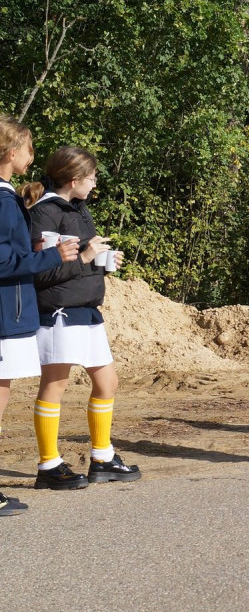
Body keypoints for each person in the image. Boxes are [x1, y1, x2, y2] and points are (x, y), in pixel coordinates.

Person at [22, 146, 140, 490]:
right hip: (59, 311)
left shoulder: (77, 209)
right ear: (74, 179)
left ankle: (102, 457)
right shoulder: (45, 213)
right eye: (92, 178)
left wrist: (103, 260)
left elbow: (79, 260)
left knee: (108, 383)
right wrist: (86, 257)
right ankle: (48, 466)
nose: (95, 183)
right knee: (54, 386)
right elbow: (40, 274)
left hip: (87, 309)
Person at [0, 117, 79, 514]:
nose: (33, 157)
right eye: (29, 149)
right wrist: (49, 255)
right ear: (11, 153)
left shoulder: (6, 196)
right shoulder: (0, 199)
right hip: (4, 312)